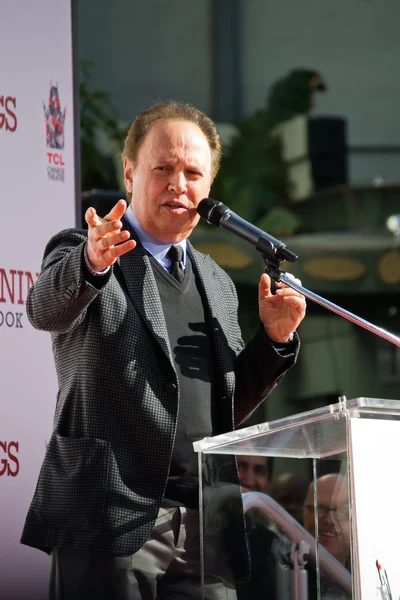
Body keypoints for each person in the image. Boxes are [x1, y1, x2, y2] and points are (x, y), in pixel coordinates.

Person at [21, 100, 306, 600]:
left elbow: (227, 409)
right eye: (163, 169)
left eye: (193, 172)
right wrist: (90, 262)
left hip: (205, 524)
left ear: (209, 186)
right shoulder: (84, 249)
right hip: (109, 515)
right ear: (130, 173)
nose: (179, 183)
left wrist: (275, 342)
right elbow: (45, 309)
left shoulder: (216, 281)